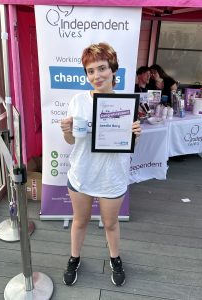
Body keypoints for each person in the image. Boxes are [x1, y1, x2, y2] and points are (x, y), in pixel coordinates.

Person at [60, 42, 141, 287]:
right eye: (91, 71)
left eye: (102, 68)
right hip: (82, 173)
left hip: (112, 175)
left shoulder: (127, 105)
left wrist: (135, 134)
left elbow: (128, 146)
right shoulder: (78, 101)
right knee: (80, 221)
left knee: (110, 223)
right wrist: (66, 131)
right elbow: (72, 140)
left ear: (113, 70)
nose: (97, 75)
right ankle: (74, 258)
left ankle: (115, 258)